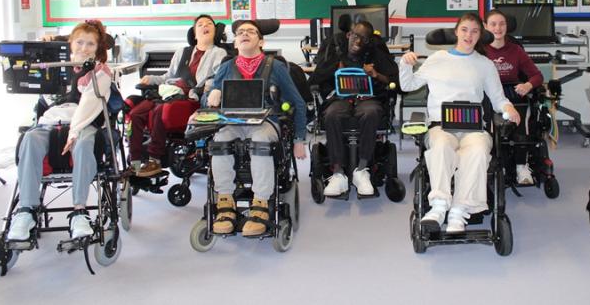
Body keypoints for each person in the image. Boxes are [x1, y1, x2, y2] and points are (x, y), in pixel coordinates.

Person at [399, 13, 521, 233]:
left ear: (480, 35)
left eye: (475, 31)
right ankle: (439, 205)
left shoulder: (484, 64)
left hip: (472, 126)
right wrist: (405, 64)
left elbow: (497, 98)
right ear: (456, 31)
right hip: (441, 125)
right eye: (465, 29)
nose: (469, 35)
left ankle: (459, 210)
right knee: (442, 146)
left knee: (478, 150)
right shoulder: (437, 59)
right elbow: (408, 85)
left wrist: (508, 108)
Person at [7, 20, 113, 241]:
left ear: (98, 48)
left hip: (83, 124)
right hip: (52, 121)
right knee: (30, 139)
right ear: (70, 44)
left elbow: (88, 108)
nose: (84, 48)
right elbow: (44, 102)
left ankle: (79, 211)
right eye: (79, 42)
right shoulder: (56, 68)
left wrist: (73, 132)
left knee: (84, 144)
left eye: (90, 44)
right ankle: (26, 211)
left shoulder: (100, 72)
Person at [202, 20, 307, 237]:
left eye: (251, 31)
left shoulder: (275, 66)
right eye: (240, 32)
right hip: (234, 121)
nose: (245, 34)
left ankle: (260, 204)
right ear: (235, 42)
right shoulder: (225, 67)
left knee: (260, 139)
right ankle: (225, 202)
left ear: (261, 40)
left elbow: (298, 102)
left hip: (266, 122)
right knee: (219, 140)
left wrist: (299, 139)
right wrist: (210, 96)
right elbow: (207, 100)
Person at [308, 19, 398, 197]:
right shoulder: (335, 54)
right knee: (332, 114)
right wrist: (335, 69)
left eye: (363, 39)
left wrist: (375, 74)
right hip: (340, 99)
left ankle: (362, 170)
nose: (358, 42)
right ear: (349, 34)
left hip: (367, 99)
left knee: (371, 112)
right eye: (355, 36)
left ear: (369, 41)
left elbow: (395, 81)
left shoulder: (375, 55)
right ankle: (338, 173)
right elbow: (315, 79)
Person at [128, 14, 227, 177]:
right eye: (200, 24)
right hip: (169, 93)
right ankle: (135, 161)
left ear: (215, 32)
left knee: (162, 110)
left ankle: (154, 160)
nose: (205, 26)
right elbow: (168, 76)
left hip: (192, 98)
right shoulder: (183, 51)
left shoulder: (219, 53)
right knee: (136, 113)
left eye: (209, 24)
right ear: (194, 33)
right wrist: (151, 79)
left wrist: (199, 88)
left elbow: (217, 78)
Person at [483, 10, 545, 185]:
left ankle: (521, 166)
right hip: (487, 94)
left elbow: (537, 76)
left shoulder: (516, 50)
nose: (498, 28)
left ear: (507, 26)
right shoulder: (480, 51)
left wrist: (528, 85)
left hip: (512, 93)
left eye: (501, 24)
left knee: (520, 125)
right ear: (485, 27)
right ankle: (486, 163)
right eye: (493, 24)